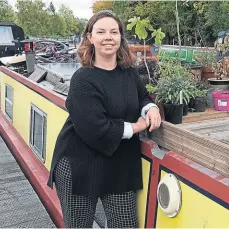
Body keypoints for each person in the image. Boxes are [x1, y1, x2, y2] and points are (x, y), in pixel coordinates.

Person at [46, 10, 161, 228]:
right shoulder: (83, 79)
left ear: (120, 37)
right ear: (90, 37)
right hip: (79, 165)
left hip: (119, 163)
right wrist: (137, 126)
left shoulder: (129, 72)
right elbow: (96, 130)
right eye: (101, 32)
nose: (108, 37)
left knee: (125, 224)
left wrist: (151, 108)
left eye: (113, 32)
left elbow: (142, 95)